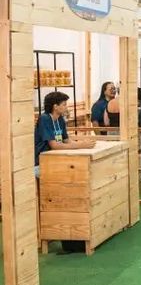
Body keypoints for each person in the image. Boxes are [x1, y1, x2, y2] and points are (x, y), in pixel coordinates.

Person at [35, 91, 96, 254]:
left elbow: (66, 140)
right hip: (41, 163)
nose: (66, 107)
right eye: (64, 104)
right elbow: (54, 145)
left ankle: (73, 230)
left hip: (56, 161)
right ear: (55, 106)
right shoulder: (45, 119)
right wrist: (82, 146)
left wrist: (82, 143)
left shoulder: (60, 119)